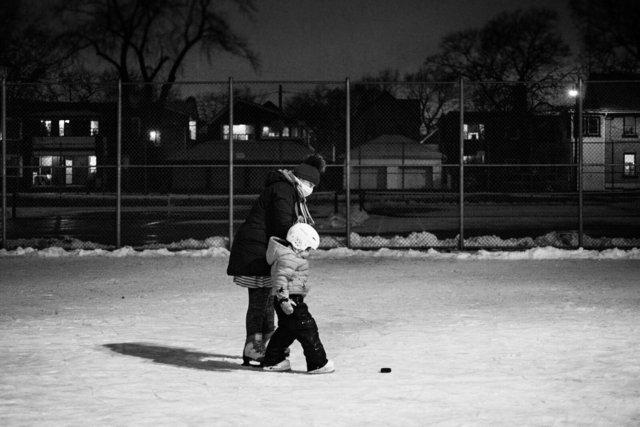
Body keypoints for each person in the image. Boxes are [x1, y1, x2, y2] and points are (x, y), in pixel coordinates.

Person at [226, 154, 326, 366]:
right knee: (259, 301)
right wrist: (296, 245)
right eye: (309, 184)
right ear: (299, 179)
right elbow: (282, 224)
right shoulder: (283, 190)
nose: (310, 189)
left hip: (265, 250)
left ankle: (267, 346)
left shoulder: (287, 190)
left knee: (269, 299)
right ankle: (254, 347)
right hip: (255, 252)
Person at [262, 222, 334, 374]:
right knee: (307, 327)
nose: (309, 253)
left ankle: (274, 360)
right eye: (308, 249)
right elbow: (280, 278)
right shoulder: (288, 258)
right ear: (298, 243)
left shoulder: (290, 256)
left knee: (287, 330)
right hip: (289, 299)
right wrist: (283, 300)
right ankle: (318, 363)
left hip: (289, 297)